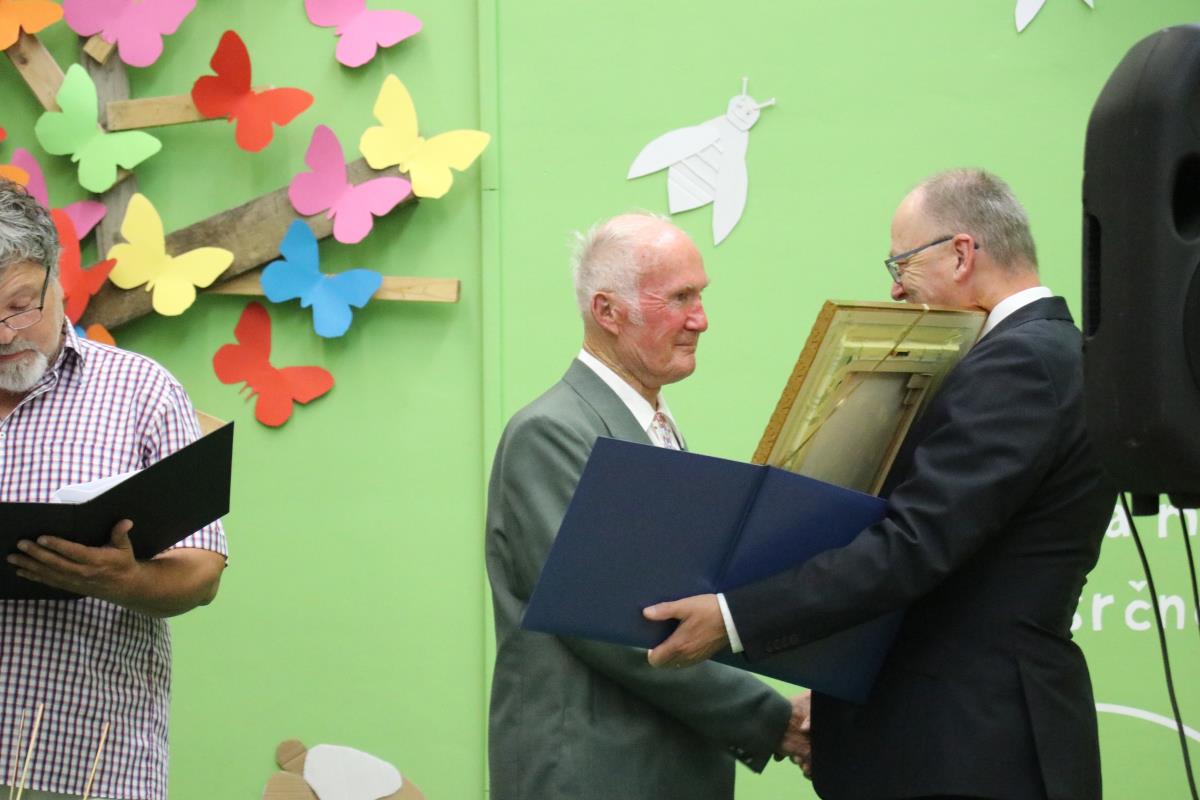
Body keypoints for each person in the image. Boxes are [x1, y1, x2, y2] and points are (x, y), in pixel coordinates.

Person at [643, 169, 1117, 800]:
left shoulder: (1019, 362)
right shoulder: (1058, 353)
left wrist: (734, 616)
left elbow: (913, 545)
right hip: (979, 732)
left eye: (902, 263)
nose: (895, 288)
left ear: (961, 253)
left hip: (968, 745)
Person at [485, 212, 806, 800]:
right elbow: (612, 625)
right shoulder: (550, 433)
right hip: (592, 776)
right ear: (608, 312)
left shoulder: (646, 425)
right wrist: (772, 718)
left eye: (700, 296)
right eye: (680, 298)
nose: (700, 319)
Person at [0, 180, 227, 800]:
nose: (5, 334)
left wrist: (122, 580)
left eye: (20, 305)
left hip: (85, 760)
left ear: (56, 279)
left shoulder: (142, 393)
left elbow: (203, 571)